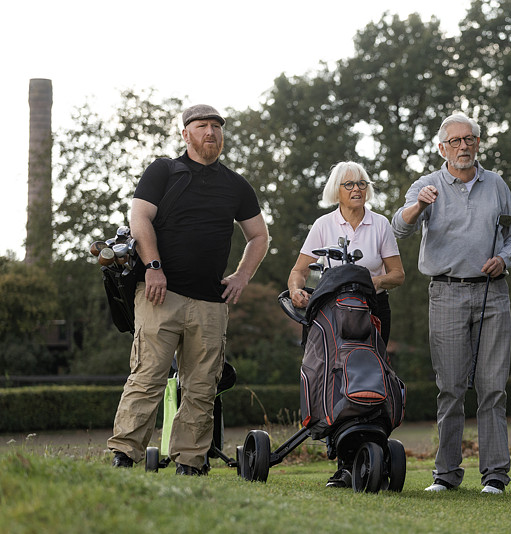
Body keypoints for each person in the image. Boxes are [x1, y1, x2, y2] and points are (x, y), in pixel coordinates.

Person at [108, 104, 269, 475]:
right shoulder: (164, 171)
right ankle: (124, 454)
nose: (210, 132)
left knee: (201, 386)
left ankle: (191, 461)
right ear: (186, 134)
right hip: (160, 294)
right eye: (202, 126)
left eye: (216, 126)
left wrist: (242, 276)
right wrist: (153, 267)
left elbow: (259, 236)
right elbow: (139, 218)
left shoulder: (236, 185)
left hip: (211, 301)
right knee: (148, 376)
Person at [391, 112, 511, 494]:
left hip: (492, 294)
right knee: (450, 388)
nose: (463, 147)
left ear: (478, 143)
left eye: (469, 140)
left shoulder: (497, 185)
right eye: (455, 142)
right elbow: (398, 227)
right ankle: (446, 476)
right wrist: (419, 205)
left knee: (492, 389)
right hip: (446, 293)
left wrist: (504, 259)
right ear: (441, 148)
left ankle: (495, 477)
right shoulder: (426, 185)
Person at [287, 160, 404, 487]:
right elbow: (299, 270)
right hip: (330, 312)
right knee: (334, 376)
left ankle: (370, 453)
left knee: (369, 372)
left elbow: (398, 275)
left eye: (362, 184)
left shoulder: (380, 224)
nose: (357, 190)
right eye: (349, 185)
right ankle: (344, 464)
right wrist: (297, 290)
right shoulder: (324, 224)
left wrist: (367, 281)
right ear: (336, 190)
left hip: (372, 308)